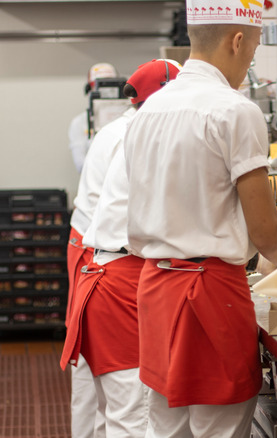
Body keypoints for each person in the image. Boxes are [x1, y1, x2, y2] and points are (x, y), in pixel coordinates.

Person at [122, 1, 277, 436]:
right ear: (237, 41)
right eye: (254, 52)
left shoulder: (148, 112)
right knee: (218, 429)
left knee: (164, 427)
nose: (250, 63)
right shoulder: (234, 110)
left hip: (156, 290)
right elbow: (265, 232)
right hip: (209, 296)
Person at [61, 59, 181, 437]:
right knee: (133, 411)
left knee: (106, 401)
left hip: (99, 263)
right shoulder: (145, 136)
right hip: (117, 272)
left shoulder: (123, 128)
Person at [65, 62, 121, 438]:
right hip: (89, 245)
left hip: (106, 247)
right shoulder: (85, 126)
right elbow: (82, 163)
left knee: (110, 369)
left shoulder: (132, 127)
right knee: (88, 358)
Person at [68, 63, 118, 173]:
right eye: (99, 85)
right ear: (89, 89)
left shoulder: (130, 118)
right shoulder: (79, 123)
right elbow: (81, 165)